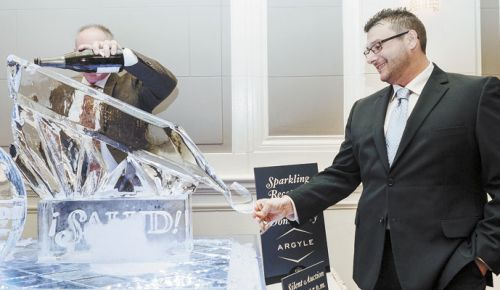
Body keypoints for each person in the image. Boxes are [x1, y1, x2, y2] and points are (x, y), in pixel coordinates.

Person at [253, 8, 500, 290]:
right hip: (377, 267)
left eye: (377, 46)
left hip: (451, 268)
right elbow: (341, 175)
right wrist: (288, 204)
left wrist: (481, 258)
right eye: (367, 51)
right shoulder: (363, 110)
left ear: (411, 39)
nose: (370, 57)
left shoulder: (475, 94)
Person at [49, 24, 177, 190]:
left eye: (97, 52)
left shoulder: (132, 86)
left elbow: (166, 83)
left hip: (126, 189)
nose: (90, 59)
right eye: (83, 52)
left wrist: (124, 56)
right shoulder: (61, 90)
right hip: (77, 191)